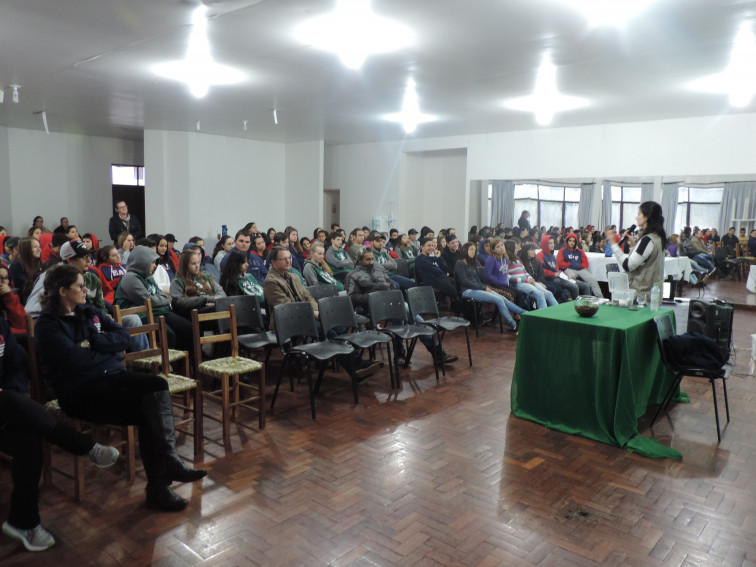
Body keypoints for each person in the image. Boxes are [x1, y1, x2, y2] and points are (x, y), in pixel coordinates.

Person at [35, 264, 206, 512]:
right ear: (62, 291)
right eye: (80, 286)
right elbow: (74, 361)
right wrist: (106, 350)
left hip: (110, 377)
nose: (86, 289)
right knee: (150, 411)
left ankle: (167, 465)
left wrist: (93, 343)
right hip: (79, 393)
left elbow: (124, 337)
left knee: (156, 385)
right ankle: (160, 484)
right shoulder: (47, 326)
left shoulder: (89, 311)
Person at [114, 245, 194, 351]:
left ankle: (187, 363)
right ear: (142, 262)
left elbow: (161, 294)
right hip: (141, 315)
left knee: (188, 329)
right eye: (152, 263)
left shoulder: (147, 277)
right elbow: (148, 300)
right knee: (168, 335)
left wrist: (163, 299)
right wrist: (165, 299)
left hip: (158, 312)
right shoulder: (130, 278)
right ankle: (166, 365)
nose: (155, 266)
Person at [454, 242, 524, 332]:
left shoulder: (470, 264)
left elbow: (477, 281)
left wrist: (484, 287)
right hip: (467, 291)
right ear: (465, 250)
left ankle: (524, 313)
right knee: (498, 300)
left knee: (502, 298)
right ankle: (513, 325)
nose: (473, 252)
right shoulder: (460, 264)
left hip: (476, 288)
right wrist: (483, 288)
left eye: (475, 250)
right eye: (471, 249)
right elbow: (464, 282)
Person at [605, 201, 667, 294]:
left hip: (642, 294)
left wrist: (613, 244)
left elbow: (628, 266)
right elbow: (643, 260)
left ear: (646, 217)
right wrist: (633, 246)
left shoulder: (647, 240)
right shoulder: (658, 237)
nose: (636, 217)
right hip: (652, 293)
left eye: (639, 214)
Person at [502, 240, 557, 309]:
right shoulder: (505, 260)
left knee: (549, 294)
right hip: (519, 283)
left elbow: (524, 272)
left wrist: (531, 279)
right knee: (540, 294)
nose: (518, 249)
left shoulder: (517, 259)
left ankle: (558, 312)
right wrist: (525, 280)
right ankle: (543, 316)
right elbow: (507, 276)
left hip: (527, 281)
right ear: (511, 249)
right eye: (515, 248)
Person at [170, 247, 226, 316]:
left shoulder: (206, 277)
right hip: (193, 313)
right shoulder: (177, 281)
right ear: (185, 265)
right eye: (193, 264)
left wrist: (215, 302)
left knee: (229, 305)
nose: (197, 266)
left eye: (198, 263)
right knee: (218, 309)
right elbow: (180, 302)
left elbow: (221, 293)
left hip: (212, 307)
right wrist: (206, 300)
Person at [536, 234, 587, 300]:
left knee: (585, 286)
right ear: (545, 244)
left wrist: (565, 275)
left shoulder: (553, 256)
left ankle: (587, 305)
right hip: (550, 279)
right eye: (550, 243)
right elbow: (541, 271)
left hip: (559, 276)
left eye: (553, 243)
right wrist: (554, 274)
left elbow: (557, 269)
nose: (552, 245)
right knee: (574, 287)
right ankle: (575, 306)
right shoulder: (540, 255)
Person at [556, 233, 604, 297]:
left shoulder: (580, 251)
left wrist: (579, 266)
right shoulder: (562, 251)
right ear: (567, 241)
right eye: (570, 241)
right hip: (569, 269)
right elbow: (560, 263)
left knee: (593, 280)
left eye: (573, 241)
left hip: (580, 269)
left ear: (576, 242)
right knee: (571, 277)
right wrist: (570, 264)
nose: (572, 243)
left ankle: (600, 298)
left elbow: (585, 263)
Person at [414, 237, 458, 306]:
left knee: (458, 283)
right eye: (428, 245)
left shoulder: (433, 258)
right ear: (422, 247)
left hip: (441, 278)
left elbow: (445, 268)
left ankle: (456, 307)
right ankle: (457, 308)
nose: (431, 247)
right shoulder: (420, 259)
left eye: (432, 245)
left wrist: (439, 257)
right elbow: (435, 271)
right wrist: (444, 273)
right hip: (432, 281)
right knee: (455, 289)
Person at [9, 237, 43, 305]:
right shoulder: (16, 265)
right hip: (26, 302)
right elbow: (25, 286)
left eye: (39, 246)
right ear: (26, 249)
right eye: (35, 247)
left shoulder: (39, 264)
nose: (39, 249)